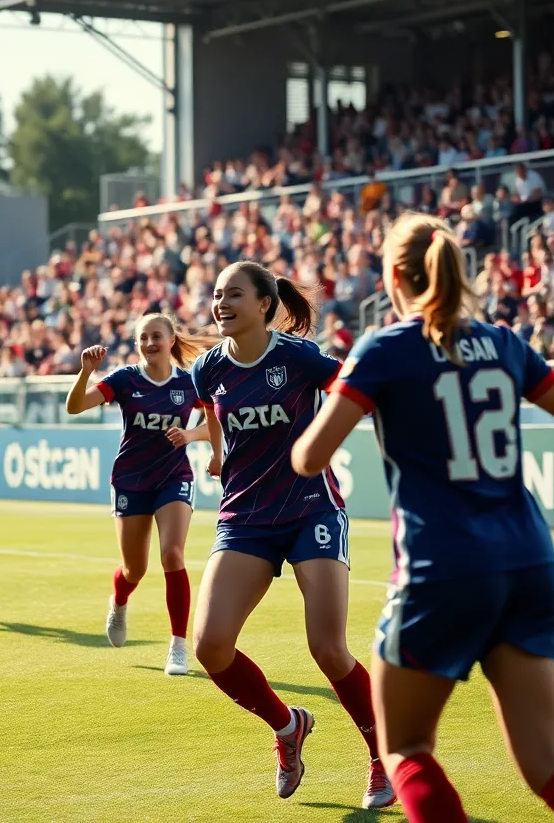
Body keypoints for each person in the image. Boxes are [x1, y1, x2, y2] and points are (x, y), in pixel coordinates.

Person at [291, 213, 554, 823]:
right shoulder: (504, 342)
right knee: (550, 764)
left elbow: (311, 456)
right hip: (529, 563)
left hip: (442, 567)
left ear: (394, 276)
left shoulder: (386, 348)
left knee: (406, 750)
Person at [187, 260, 395, 810]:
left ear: (264, 305)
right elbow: (212, 415)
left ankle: (383, 758)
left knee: (327, 648)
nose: (221, 303)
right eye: (216, 295)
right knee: (209, 646)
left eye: (233, 294)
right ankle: (287, 727)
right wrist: (214, 454)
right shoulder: (208, 369)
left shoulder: (297, 356)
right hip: (245, 518)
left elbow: (356, 388)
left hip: (311, 510)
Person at [64, 313, 214, 675]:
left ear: (171, 339)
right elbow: (74, 406)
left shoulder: (189, 382)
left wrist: (191, 435)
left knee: (172, 554)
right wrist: (86, 371)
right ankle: (119, 601)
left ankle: (178, 647)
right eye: (143, 338)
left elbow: (217, 421)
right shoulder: (125, 379)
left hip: (173, 477)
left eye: (156, 336)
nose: (149, 343)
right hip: (130, 481)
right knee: (135, 568)